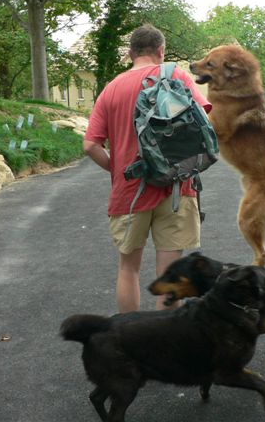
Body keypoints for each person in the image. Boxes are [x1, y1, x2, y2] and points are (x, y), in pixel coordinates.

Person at [83, 24, 212, 313]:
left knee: (128, 269)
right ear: (161, 51)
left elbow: (91, 144)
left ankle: (130, 341)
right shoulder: (176, 76)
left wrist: (117, 170)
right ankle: (165, 346)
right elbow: (203, 120)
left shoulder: (112, 89)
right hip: (177, 186)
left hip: (130, 190)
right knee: (170, 276)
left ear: (131, 53)